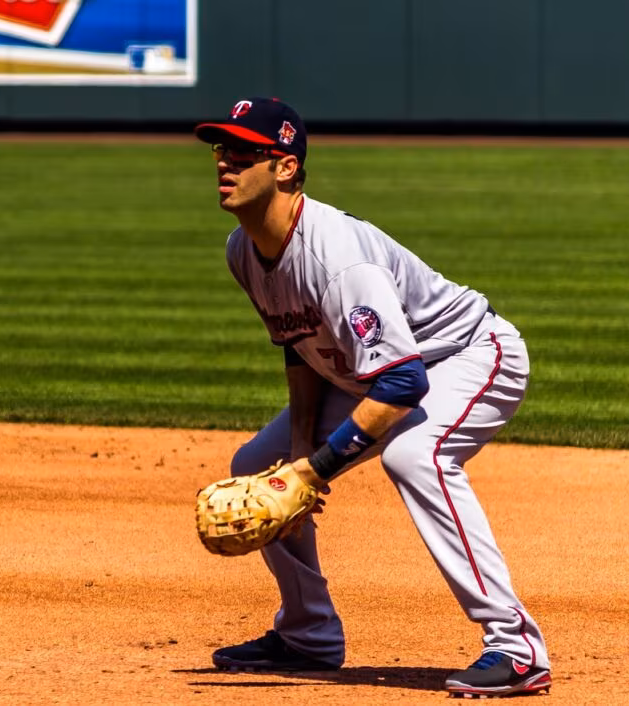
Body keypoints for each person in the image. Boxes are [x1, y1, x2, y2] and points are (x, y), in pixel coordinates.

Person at [193, 97, 552, 698]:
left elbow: (405, 383)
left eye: (243, 152)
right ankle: (308, 636)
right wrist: (300, 451)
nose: (225, 163)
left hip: (467, 355)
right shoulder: (242, 250)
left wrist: (315, 469)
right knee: (259, 467)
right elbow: (298, 344)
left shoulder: (338, 257)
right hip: (374, 375)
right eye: (220, 150)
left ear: (285, 167)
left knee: (415, 457)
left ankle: (517, 650)